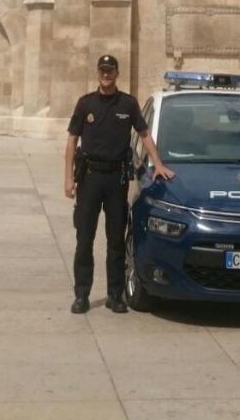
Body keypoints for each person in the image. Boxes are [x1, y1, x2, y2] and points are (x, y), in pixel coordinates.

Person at [64, 54, 174, 314]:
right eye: (102, 70)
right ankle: (82, 295)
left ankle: (115, 295)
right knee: (84, 239)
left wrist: (158, 163)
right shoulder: (85, 104)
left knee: (115, 240)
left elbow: (144, 135)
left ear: (116, 73)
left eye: (110, 70)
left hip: (116, 179)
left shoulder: (128, 103)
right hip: (90, 178)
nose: (106, 74)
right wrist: (68, 178)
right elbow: (71, 142)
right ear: (98, 73)